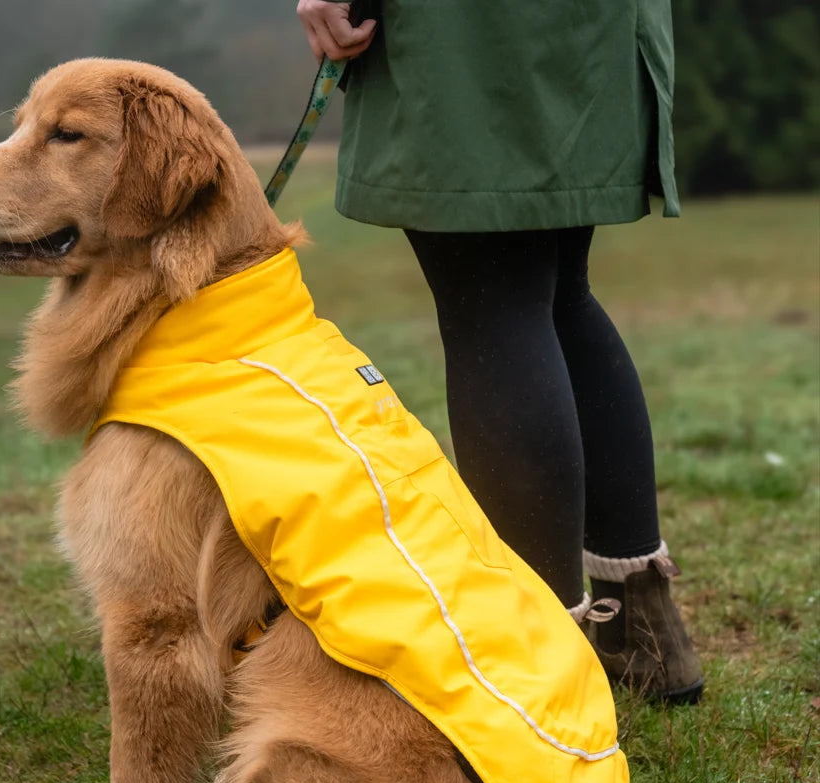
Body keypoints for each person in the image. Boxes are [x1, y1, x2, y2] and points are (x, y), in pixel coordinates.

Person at [295, 0, 703, 703]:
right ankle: (644, 636)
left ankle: (541, 672)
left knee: (492, 301)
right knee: (553, 292)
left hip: (477, 28)